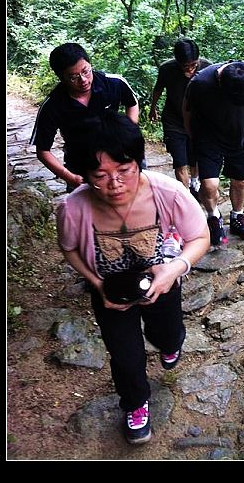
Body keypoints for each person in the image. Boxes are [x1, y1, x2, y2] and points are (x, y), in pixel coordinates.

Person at [56, 111, 210, 445]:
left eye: (124, 170)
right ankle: (135, 403)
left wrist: (175, 268)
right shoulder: (73, 208)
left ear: (138, 162)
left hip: (163, 282)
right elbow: (69, 249)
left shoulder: (168, 192)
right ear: (84, 175)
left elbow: (200, 237)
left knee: (167, 334)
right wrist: (97, 284)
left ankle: (170, 344)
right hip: (110, 292)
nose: (114, 184)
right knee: (125, 355)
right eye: (100, 175)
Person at [30, 43, 139, 191]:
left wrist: (128, 134)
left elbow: (132, 104)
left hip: (119, 153)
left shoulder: (113, 83)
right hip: (80, 164)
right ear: (61, 77)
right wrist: (69, 177)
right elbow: (43, 151)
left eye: (86, 71)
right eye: (73, 77)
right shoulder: (53, 105)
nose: (83, 80)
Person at [183, 60, 244, 246]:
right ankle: (213, 217)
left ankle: (237, 216)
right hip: (208, 137)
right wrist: (192, 135)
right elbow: (187, 109)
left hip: (242, 136)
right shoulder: (201, 83)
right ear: (221, 84)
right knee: (209, 184)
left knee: (240, 181)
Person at [149, 37, 210, 197]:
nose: (190, 69)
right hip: (173, 121)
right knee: (180, 161)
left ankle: (195, 182)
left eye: (193, 65)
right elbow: (158, 89)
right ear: (177, 61)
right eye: (185, 66)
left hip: (198, 121)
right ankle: (186, 197)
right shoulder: (167, 69)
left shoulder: (207, 68)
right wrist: (153, 108)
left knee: (195, 155)